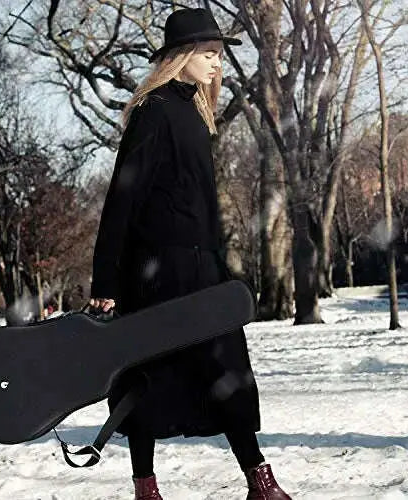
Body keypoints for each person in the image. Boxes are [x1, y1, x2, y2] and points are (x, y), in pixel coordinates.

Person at [89, 8, 291, 500]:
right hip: (157, 275)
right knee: (145, 379)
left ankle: (260, 481)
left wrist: (219, 262)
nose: (218, 63)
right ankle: (146, 489)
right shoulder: (154, 110)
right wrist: (106, 281)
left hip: (202, 271)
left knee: (228, 373)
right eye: (209, 53)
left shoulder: (196, 113)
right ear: (182, 56)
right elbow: (122, 199)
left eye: (220, 55)